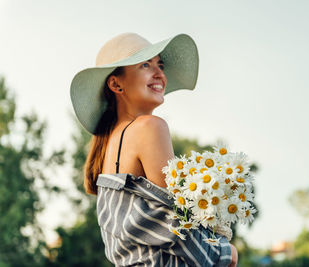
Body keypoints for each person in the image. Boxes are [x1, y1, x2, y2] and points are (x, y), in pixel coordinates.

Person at [70, 32, 238, 267]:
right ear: (116, 83)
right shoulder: (150, 127)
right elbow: (177, 226)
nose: (159, 73)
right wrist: (225, 253)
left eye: (160, 64)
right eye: (145, 65)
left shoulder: (111, 144)